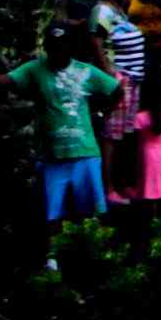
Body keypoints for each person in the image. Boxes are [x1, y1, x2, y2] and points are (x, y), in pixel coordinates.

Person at [25, 27, 113, 235]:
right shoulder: (36, 69)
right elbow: (9, 80)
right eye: (53, 48)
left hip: (85, 150)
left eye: (62, 47)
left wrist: (102, 110)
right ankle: (53, 259)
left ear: (70, 48)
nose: (58, 52)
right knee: (52, 211)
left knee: (93, 207)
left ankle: (96, 250)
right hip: (52, 155)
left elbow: (115, 89)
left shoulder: (86, 71)